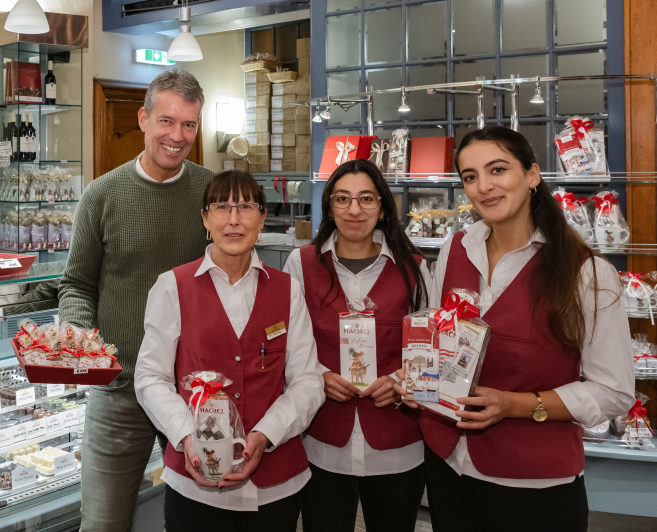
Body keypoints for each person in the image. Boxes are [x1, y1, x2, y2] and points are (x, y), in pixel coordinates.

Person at [420, 126, 634, 532]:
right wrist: (419, 375)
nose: (484, 186)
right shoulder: (454, 249)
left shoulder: (587, 273)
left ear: (532, 175)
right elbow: (441, 340)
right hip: (449, 466)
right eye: (470, 176)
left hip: (534, 484)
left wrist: (515, 405)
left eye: (497, 169)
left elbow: (614, 391)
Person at [59, 69, 213, 532]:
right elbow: (77, 284)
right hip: (118, 389)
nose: (177, 135)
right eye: (167, 121)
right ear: (143, 119)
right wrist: (79, 336)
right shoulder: (101, 195)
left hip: (196, 390)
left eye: (189, 124)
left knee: (200, 520)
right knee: (103, 522)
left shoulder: (212, 193)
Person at [135, 169, 324, 531]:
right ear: (205, 218)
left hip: (276, 484)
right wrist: (187, 438)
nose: (234, 219)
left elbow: (308, 381)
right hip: (194, 486)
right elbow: (150, 378)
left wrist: (264, 434)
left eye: (246, 207)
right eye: (222, 207)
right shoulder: (172, 287)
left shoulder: (287, 289)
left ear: (262, 217)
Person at [284, 159, 432, 532]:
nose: (354, 210)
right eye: (342, 199)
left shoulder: (413, 267)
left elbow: (431, 346)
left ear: (382, 207)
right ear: (329, 207)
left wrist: (403, 380)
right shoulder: (301, 264)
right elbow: (288, 344)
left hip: (398, 443)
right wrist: (318, 376)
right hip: (323, 441)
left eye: (366, 199)